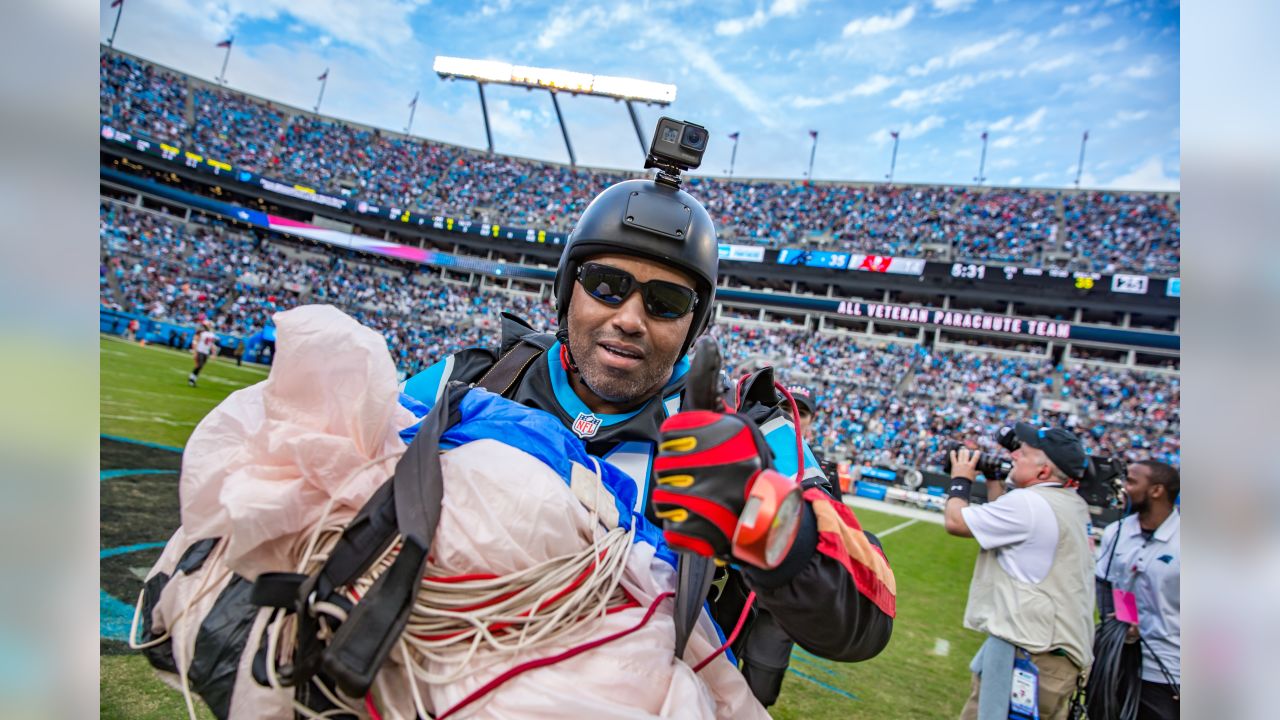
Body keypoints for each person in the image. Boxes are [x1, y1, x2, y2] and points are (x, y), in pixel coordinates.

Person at [401, 177, 896, 706]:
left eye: (665, 301)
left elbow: (868, 614)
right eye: (606, 285)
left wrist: (765, 514)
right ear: (568, 289)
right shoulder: (472, 379)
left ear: (693, 323)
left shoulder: (744, 431)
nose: (629, 319)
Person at [942, 423, 1095, 720]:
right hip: (1054, 655)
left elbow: (955, 522)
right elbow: (1008, 524)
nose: (1012, 457)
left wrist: (960, 479)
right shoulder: (1069, 504)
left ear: (1043, 472)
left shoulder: (1030, 504)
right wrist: (994, 480)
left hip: (1032, 656)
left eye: (1022, 453)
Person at [1095, 461, 1180, 719]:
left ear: (1156, 490)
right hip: (1118, 664)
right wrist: (1124, 626)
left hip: (1169, 672)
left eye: (1131, 482)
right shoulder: (1116, 532)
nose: (1124, 488)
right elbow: (1110, 586)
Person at [189, 320, 217, 387]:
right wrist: (195, 352)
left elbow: (211, 344)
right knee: (199, 365)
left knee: (201, 367)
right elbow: (195, 341)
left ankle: (193, 379)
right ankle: (191, 379)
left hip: (206, 352)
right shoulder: (201, 332)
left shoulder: (211, 334)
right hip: (200, 351)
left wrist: (213, 353)